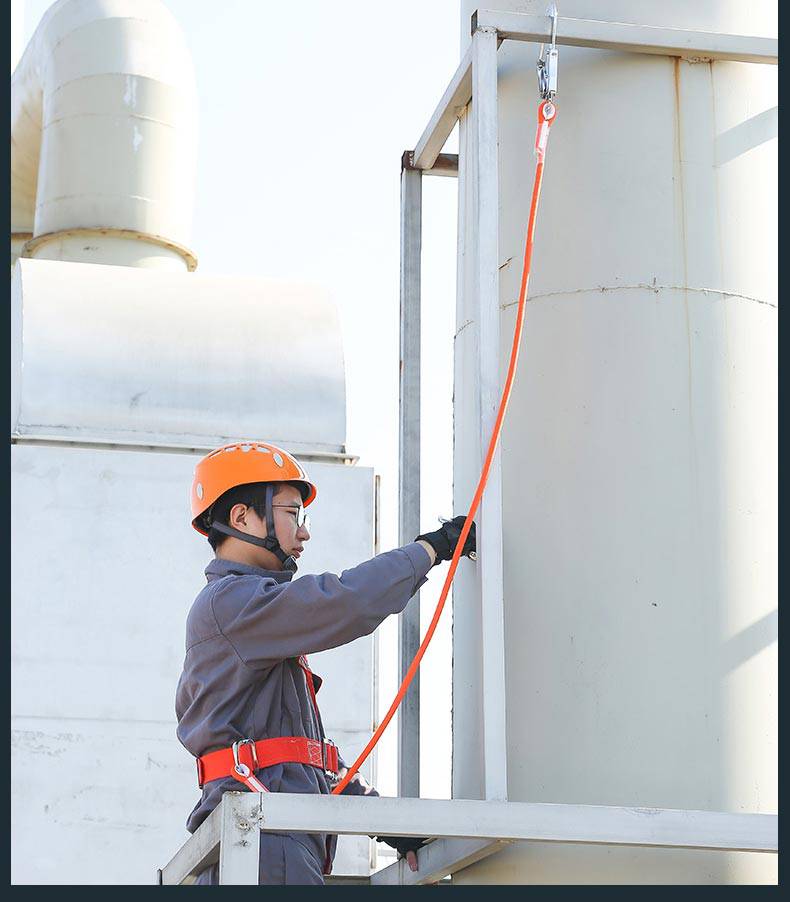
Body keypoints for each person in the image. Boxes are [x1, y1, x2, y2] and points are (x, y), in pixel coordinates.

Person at [175, 440, 476, 885]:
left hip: (274, 835)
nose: (304, 532)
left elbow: (301, 760)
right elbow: (343, 601)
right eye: (292, 514)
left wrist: (389, 825)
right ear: (242, 518)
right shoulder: (231, 605)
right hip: (264, 837)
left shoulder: (257, 624)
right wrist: (428, 550)